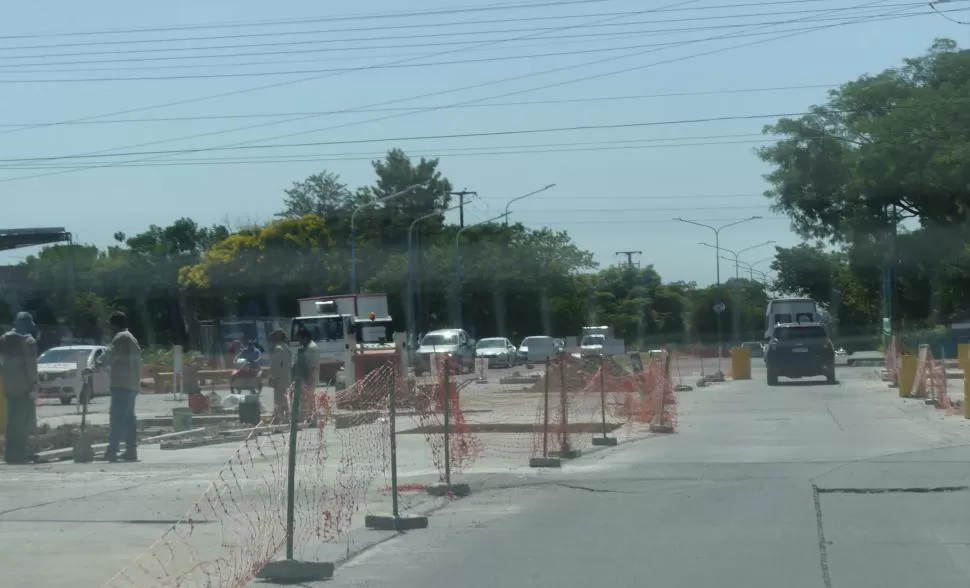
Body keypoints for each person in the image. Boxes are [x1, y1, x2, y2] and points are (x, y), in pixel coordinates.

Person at [99, 311, 142, 462]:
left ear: (114, 325)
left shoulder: (121, 337)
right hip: (131, 384)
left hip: (122, 384)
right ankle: (131, 451)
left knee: (117, 418)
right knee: (129, 419)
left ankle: (112, 451)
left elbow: (109, 353)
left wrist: (95, 365)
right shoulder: (130, 337)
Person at [1, 312, 38, 464]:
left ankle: (9, 453)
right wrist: (34, 384)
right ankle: (19, 453)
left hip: (8, 385)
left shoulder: (3, 339)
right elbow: (31, 366)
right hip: (24, 386)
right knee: (22, 420)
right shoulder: (29, 341)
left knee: (11, 420)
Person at [291, 327, 320, 421]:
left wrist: (310, 380)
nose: (299, 342)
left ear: (305, 337)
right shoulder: (306, 348)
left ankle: (311, 418)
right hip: (303, 379)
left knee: (308, 399)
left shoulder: (312, 348)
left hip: (309, 378)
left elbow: (312, 365)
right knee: (305, 400)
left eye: (300, 339)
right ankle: (307, 418)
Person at [268, 329, 292, 423]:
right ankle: (287, 419)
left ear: (277, 337)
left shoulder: (277, 349)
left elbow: (276, 366)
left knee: (278, 401)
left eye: (273, 336)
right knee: (286, 398)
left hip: (279, 378)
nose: (272, 339)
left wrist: (273, 378)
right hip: (287, 377)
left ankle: (278, 420)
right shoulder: (286, 348)